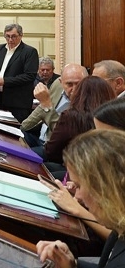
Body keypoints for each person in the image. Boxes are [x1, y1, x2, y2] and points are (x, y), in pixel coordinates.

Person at [37, 130, 125, 268]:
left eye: (78, 186)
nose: (77, 196)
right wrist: (73, 264)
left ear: (105, 188)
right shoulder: (119, 225)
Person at [43, 75, 115, 175]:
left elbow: (52, 151)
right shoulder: (114, 116)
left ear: (79, 93)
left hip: (76, 168)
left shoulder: (71, 116)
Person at [0, 23, 39, 123]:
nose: (10, 40)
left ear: (21, 36)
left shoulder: (29, 52)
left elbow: (29, 76)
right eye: (7, 36)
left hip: (17, 103)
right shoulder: (0, 49)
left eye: (13, 36)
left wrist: (5, 81)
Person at [21, 63, 87, 149]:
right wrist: (22, 127)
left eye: (78, 84)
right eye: (69, 84)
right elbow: (42, 106)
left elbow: (64, 134)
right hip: (41, 137)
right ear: (61, 82)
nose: (74, 89)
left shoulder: (88, 100)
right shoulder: (57, 85)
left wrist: (47, 105)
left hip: (57, 147)